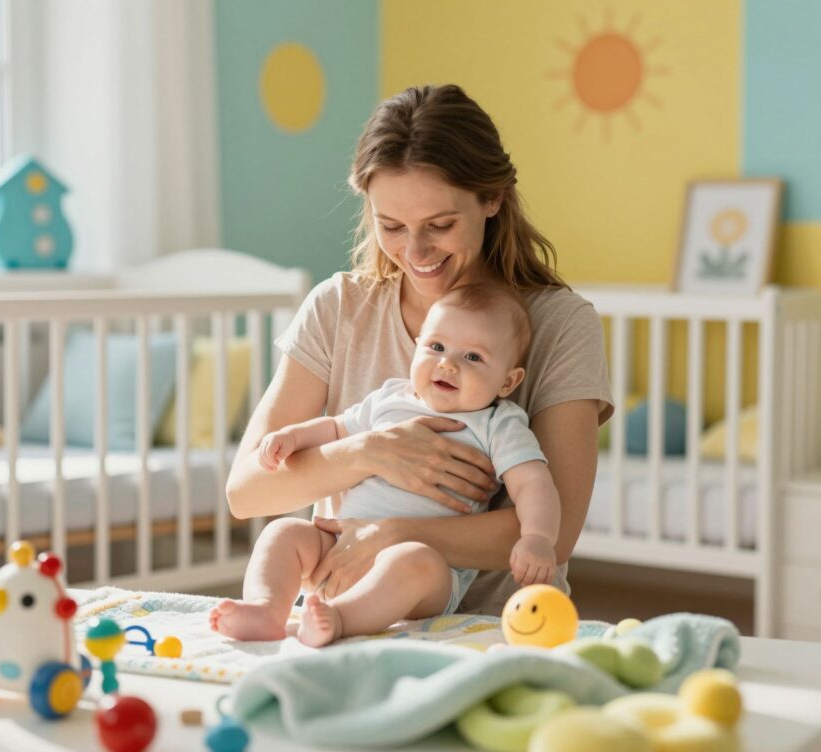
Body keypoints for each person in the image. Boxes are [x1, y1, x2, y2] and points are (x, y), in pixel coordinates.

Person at [216, 83, 613, 639]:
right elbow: (248, 491)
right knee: (282, 534)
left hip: (499, 630)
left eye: (440, 225)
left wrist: (391, 532)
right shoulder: (339, 307)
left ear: (492, 199)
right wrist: (371, 450)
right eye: (392, 226)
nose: (416, 253)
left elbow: (556, 530)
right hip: (342, 630)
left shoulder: (560, 324)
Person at [210, 284, 560, 645]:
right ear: (418, 346)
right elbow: (336, 428)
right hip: (340, 541)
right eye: (436, 347)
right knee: (283, 533)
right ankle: (266, 609)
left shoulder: (497, 424)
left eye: (473, 357)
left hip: (431, 567)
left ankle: (339, 619)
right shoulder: (390, 398)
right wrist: (294, 437)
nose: (447, 364)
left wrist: (537, 537)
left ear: (508, 381)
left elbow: (532, 482)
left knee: (412, 562)